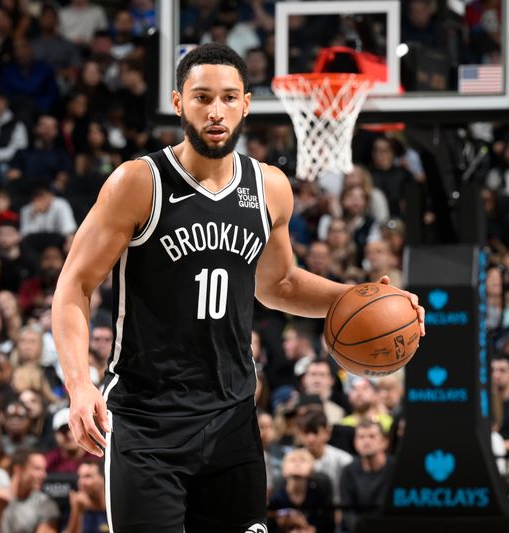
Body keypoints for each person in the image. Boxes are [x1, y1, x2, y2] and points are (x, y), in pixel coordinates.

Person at [51, 43, 426, 532]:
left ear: (246, 104)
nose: (215, 110)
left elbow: (281, 284)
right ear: (178, 102)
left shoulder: (269, 186)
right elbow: (74, 286)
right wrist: (80, 385)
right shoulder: (139, 182)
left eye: (228, 98)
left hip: (231, 416)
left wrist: (368, 300)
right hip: (148, 420)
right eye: (202, 97)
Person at [0, 449, 59, 533]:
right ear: (18, 470)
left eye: (44, 470)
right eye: (37, 469)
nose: (43, 475)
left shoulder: (46, 504)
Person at [339, 420, 395, 532]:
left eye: (372, 436)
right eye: (361, 437)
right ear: (355, 443)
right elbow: (347, 512)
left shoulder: (396, 468)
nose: (366, 441)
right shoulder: (348, 471)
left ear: (385, 442)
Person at [63, 460, 109, 533]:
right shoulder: (76, 505)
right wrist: (76, 511)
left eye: (87, 477)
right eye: (79, 477)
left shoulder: (115, 506)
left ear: (103, 478)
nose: (81, 482)